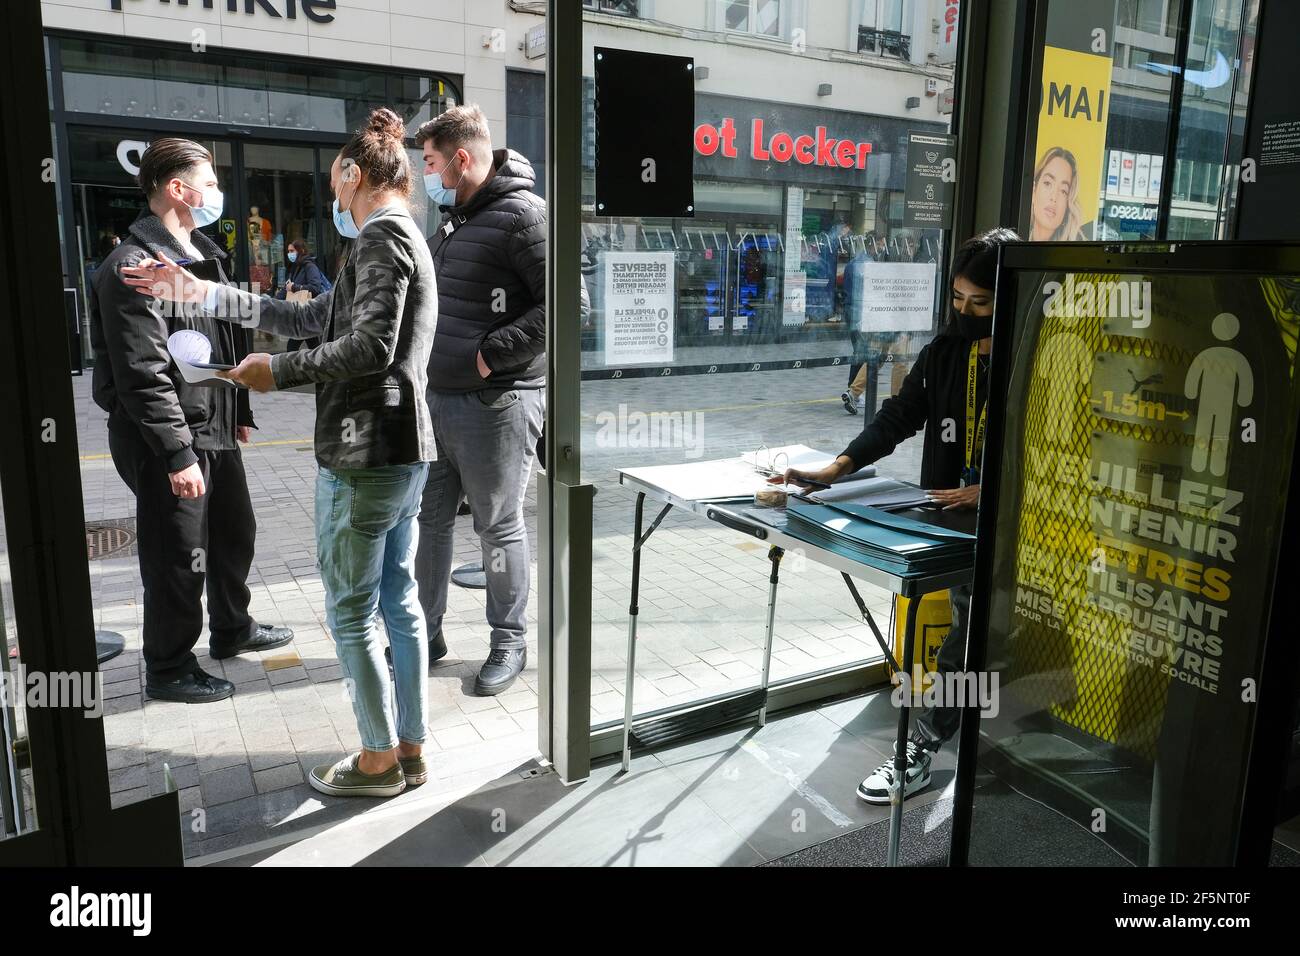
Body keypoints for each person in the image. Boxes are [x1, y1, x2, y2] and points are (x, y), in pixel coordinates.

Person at [122, 109, 438, 798]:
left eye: (335, 182)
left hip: (366, 456)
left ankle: (380, 761)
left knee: (354, 613)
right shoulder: (397, 236)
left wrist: (276, 374)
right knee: (399, 603)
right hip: (402, 453)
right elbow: (309, 320)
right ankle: (409, 749)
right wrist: (202, 293)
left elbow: (367, 348)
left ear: (354, 174)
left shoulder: (382, 240)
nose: (335, 199)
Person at [777, 227, 1020, 804]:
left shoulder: (1032, 362)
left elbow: (1056, 446)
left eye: (979, 303)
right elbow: (899, 416)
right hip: (951, 523)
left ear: (1011, 300)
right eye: (957, 299)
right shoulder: (945, 352)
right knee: (965, 632)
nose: (964, 313)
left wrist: (990, 490)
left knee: (985, 635)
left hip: (1014, 523)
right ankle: (934, 739)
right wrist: (839, 466)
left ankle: (956, 739)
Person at [89, 137, 294, 704]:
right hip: (168, 436)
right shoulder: (132, 267)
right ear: (177, 189)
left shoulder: (201, 252)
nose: (217, 192)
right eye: (209, 181)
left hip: (216, 423)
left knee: (233, 532)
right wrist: (177, 454)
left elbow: (225, 339)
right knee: (178, 554)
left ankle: (233, 628)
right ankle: (170, 665)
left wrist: (240, 409)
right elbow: (141, 372)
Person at [414, 104, 587, 696]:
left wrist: (489, 355)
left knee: (498, 526)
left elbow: (570, 307)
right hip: (438, 402)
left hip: (498, 404)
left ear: (462, 159)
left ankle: (507, 642)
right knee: (429, 522)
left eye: (432, 163)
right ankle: (425, 634)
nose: (428, 176)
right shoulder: (456, 218)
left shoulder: (524, 216)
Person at [276, 238, 332, 351]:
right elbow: (287, 288)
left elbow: (315, 287)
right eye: (288, 251)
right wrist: (274, 300)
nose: (289, 254)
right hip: (303, 313)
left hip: (307, 312)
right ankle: (321, 364)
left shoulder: (309, 266)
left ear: (300, 250)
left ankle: (291, 367)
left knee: (292, 346)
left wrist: (294, 287)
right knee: (313, 345)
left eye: (292, 251)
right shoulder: (296, 267)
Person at [1028, 146, 1085, 242]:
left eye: (1063, 191)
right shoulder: (1012, 237)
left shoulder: (1074, 253)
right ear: (1033, 191)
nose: (1054, 197)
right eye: (1047, 183)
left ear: (1068, 206)